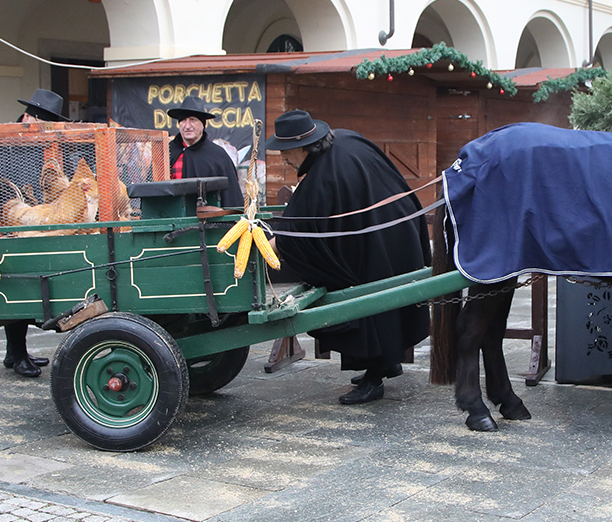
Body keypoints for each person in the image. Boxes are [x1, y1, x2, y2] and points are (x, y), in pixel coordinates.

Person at [264, 110, 431, 404]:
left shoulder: (324, 173)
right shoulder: (345, 140)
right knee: (383, 306)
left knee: (366, 301)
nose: (285, 160)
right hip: (400, 227)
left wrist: (269, 246)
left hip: (381, 239)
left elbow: (296, 230)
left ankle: (373, 378)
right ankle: (388, 361)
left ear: (302, 148)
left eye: (286, 154)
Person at [0, 88, 72, 377]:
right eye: (39, 120)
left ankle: (15, 352)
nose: (42, 128)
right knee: (12, 288)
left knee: (27, 289)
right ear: (27, 116)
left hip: (26, 224)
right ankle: (17, 354)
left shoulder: (44, 149)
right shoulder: (3, 145)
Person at [167, 96, 245, 208]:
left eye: (193, 120)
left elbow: (231, 197)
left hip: (207, 222)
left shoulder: (218, 156)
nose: (187, 126)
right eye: (183, 120)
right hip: (170, 218)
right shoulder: (166, 152)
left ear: (203, 125)